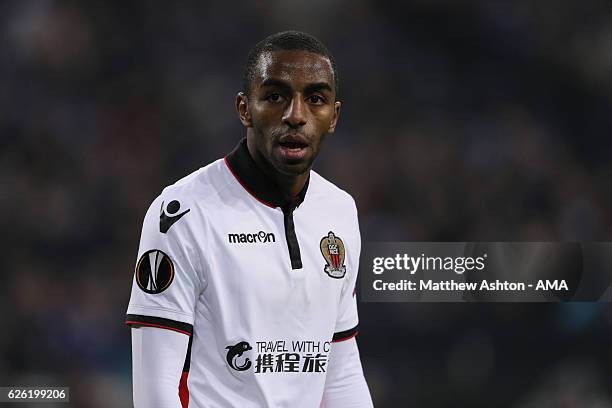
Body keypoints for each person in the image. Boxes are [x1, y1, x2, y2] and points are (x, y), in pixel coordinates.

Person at [126, 30, 373, 407]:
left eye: (315, 99)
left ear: (333, 116)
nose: (296, 115)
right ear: (244, 108)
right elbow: (155, 391)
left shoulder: (339, 210)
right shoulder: (181, 214)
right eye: (275, 96)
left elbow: (340, 371)